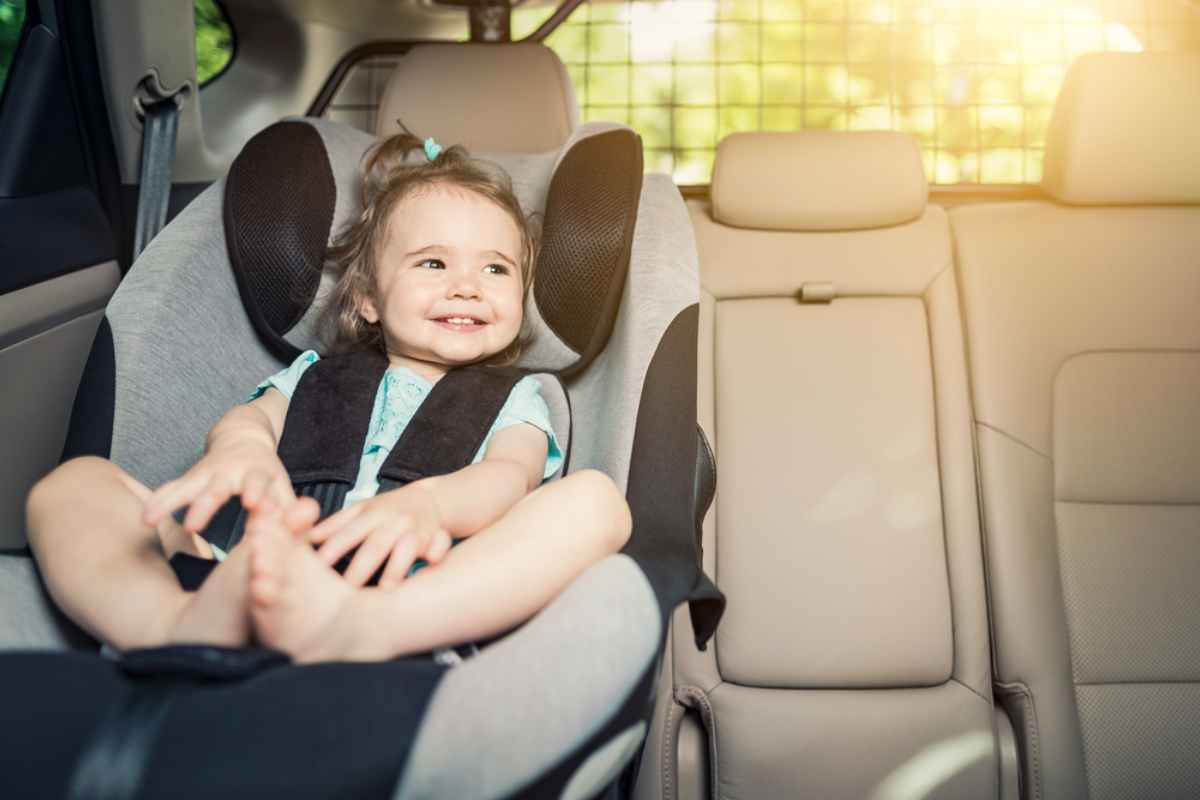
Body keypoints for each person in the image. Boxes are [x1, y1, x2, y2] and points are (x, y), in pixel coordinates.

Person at [25, 131, 632, 664]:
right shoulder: (314, 376)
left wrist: (431, 507)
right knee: (72, 485)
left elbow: (509, 476)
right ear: (367, 298)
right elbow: (251, 420)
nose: (468, 287)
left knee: (598, 502)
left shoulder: (518, 398)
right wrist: (242, 452)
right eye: (433, 264)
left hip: (413, 590)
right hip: (250, 571)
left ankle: (362, 628)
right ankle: (172, 625)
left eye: (496, 270)